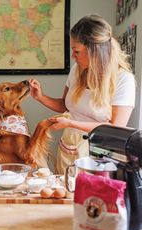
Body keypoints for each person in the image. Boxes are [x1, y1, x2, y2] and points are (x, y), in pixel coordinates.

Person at [29, 14, 136, 174]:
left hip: (99, 154)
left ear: (95, 51)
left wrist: (71, 124)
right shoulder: (77, 70)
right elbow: (65, 105)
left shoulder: (123, 80)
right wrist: (40, 97)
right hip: (69, 147)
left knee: (90, 196)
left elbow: (115, 129)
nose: (73, 56)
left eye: (76, 50)